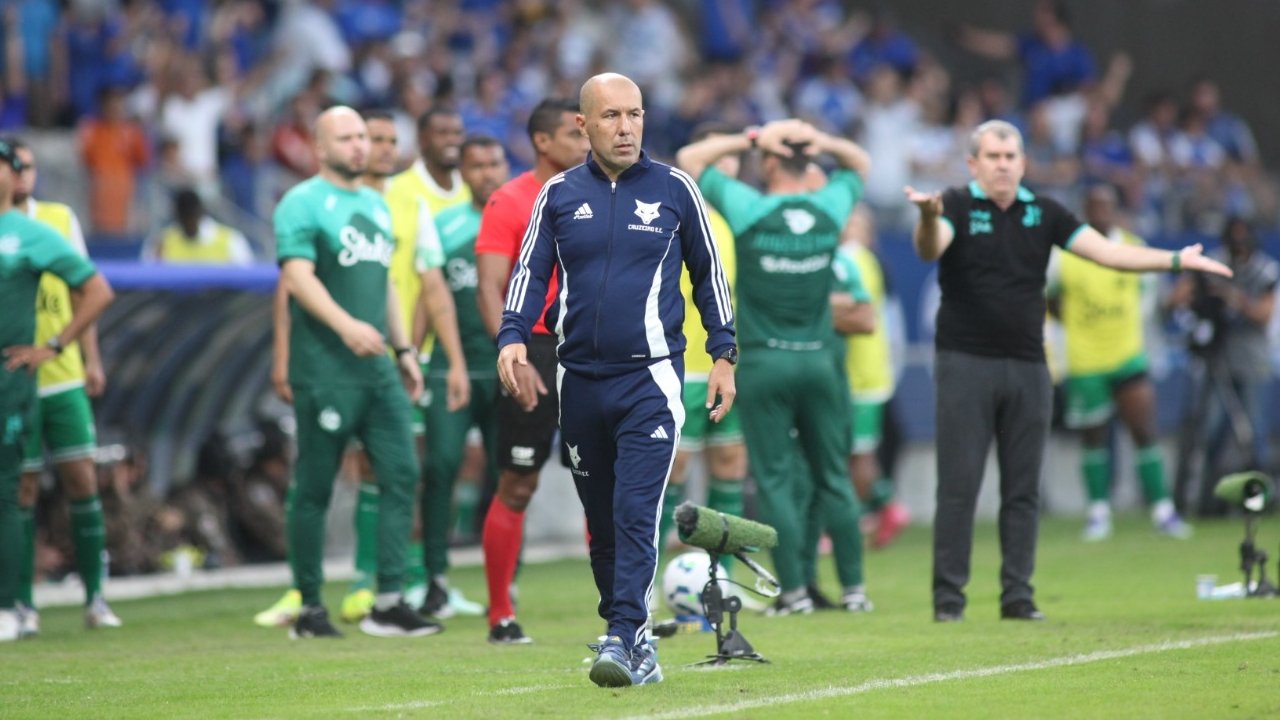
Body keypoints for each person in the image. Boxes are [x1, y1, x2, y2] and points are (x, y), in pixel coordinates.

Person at [904, 120, 1231, 624]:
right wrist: (927, 217)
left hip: (1030, 365)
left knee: (1023, 486)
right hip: (965, 362)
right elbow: (931, 246)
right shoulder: (955, 204)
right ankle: (949, 600)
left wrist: (1173, 259)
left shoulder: (1045, 212)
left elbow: (1108, 253)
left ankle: (1018, 596)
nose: (1003, 164)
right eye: (992, 156)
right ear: (973, 164)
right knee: (959, 484)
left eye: (1011, 156)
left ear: (1023, 162)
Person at [497, 73, 735, 687]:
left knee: (634, 511)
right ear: (584, 125)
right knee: (601, 522)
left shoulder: (676, 189)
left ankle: (625, 634)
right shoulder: (556, 196)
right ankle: (630, 637)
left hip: (650, 381)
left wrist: (726, 354)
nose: (626, 127)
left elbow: (710, 277)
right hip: (578, 381)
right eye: (611, 117)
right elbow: (528, 272)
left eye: (635, 114)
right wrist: (513, 336)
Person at [258, 109, 468, 628]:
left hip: (378, 371)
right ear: (319, 146)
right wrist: (347, 326)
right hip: (326, 369)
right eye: (346, 138)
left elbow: (387, 287)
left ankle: (390, 600)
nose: (359, 147)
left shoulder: (375, 205)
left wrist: (403, 352)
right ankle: (309, 604)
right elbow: (296, 278)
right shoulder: (301, 202)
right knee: (315, 485)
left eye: (362, 138)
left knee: (402, 474)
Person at [677, 117, 873, 616]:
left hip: (765, 362)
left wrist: (747, 136)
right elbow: (860, 164)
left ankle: (795, 594)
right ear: (807, 163)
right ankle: (854, 590)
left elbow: (690, 160)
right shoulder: (830, 206)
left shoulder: (749, 209)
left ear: (766, 163)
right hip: (820, 361)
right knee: (833, 475)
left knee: (775, 479)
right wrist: (822, 139)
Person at [474, 97, 589, 645]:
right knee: (519, 481)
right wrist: (510, 352)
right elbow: (490, 288)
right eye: (575, 134)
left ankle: (624, 610)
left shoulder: (599, 197)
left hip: (592, 350)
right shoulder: (510, 199)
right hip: (535, 350)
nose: (587, 144)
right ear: (542, 142)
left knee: (608, 481)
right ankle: (501, 613)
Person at [0, 137, 115, 642]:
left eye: (23, 165)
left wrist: (88, 356)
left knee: (81, 480)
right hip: (17, 376)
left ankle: (96, 595)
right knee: (20, 490)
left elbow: (85, 288)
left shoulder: (57, 219)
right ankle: (21, 603)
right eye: (14, 165)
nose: (20, 174)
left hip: (61, 373)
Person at [1048, 184, 1191, 541]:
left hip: (1127, 354)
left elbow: (1149, 298)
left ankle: (1162, 510)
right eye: (1094, 206)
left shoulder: (1133, 247)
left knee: (1144, 430)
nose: (1100, 212)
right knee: (1093, 438)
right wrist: (1074, 326)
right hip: (1085, 359)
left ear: (1115, 209)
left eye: (1107, 205)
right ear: (1084, 209)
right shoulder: (1063, 255)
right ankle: (1098, 513)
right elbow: (1047, 298)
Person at [414, 136, 509, 624]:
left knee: (509, 473)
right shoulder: (443, 223)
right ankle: (435, 579)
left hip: (507, 368)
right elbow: (429, 296)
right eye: (476, 165)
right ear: (464, 171)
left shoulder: (524, 217)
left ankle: (502, 587)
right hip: (451, 368)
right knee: (442, 467)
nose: (486, 172)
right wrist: (410, 354)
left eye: (494, 162)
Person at [659, 123, 746, 560]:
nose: (726, 167)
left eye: (732, 160)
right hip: (683, 365)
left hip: (730, 365)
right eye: (717, 158)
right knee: (672, 468)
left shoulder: (741, 219)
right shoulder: (675, 214)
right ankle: (646, 589)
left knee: (730, 464)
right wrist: (746, 136)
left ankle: (723, 574)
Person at [1169, 216, 1278, 514]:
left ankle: (1261, 503)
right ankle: (1210, 501)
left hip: (1252, 360)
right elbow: (1180, 294)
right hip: (1219, 358)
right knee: (1211, 431)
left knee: (1255, 432)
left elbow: (1263, 315)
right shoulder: (1214, 265)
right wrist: (1193, 295)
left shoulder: (1264, 269)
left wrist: (1235, 298)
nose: (1239, 247)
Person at [839, 206, 911, 549]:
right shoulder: (869, 262)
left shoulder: (851, 260)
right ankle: (882, 509)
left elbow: (854, 316)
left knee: (858, 454)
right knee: (854, 452)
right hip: (869, 372)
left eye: (854, 224)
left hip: (859, 375)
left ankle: (866, 516)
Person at [144, 188, 254, 265]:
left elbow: (247, 280)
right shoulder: (161, 242)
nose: (190, 222)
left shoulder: (230, 240)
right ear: (177, 217)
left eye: (192, 216)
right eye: (185, 218)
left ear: (200, 213)